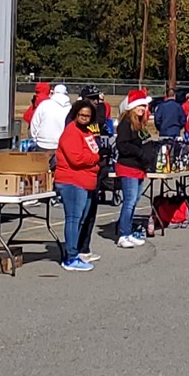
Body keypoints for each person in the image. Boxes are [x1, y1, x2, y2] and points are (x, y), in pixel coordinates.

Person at [53, 100, 102, 272]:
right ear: (75, 114)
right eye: (81, 115)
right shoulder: (71, 132)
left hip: (87, 180)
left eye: (88, 116)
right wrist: (94, 159)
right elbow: (77, 158)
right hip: (72, 181)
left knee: (81, 219)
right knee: (73, 219)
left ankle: (76, 252)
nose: (84, 118)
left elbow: (95, 151)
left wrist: (94, 157)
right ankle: (71, 256)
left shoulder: (87, 132)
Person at [114, 90, 154, 248]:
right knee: (129, 201)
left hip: (139, 167)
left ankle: (129, 232)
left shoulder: (139, 124)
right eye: (139, 106)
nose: (142, 109)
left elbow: (145, 141)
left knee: (135, 200)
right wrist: (139, 153)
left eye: (144, 106)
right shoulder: (126, 123)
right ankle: (123, 234)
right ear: (132, 106)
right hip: (128, 167)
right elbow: (122, 145)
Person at [29, 84, 72, 151]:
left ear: (53, 92)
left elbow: (35, 123)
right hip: (61, 145)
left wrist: (35, 139)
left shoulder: (44, 104)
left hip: (42, 143)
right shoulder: (70, 108)